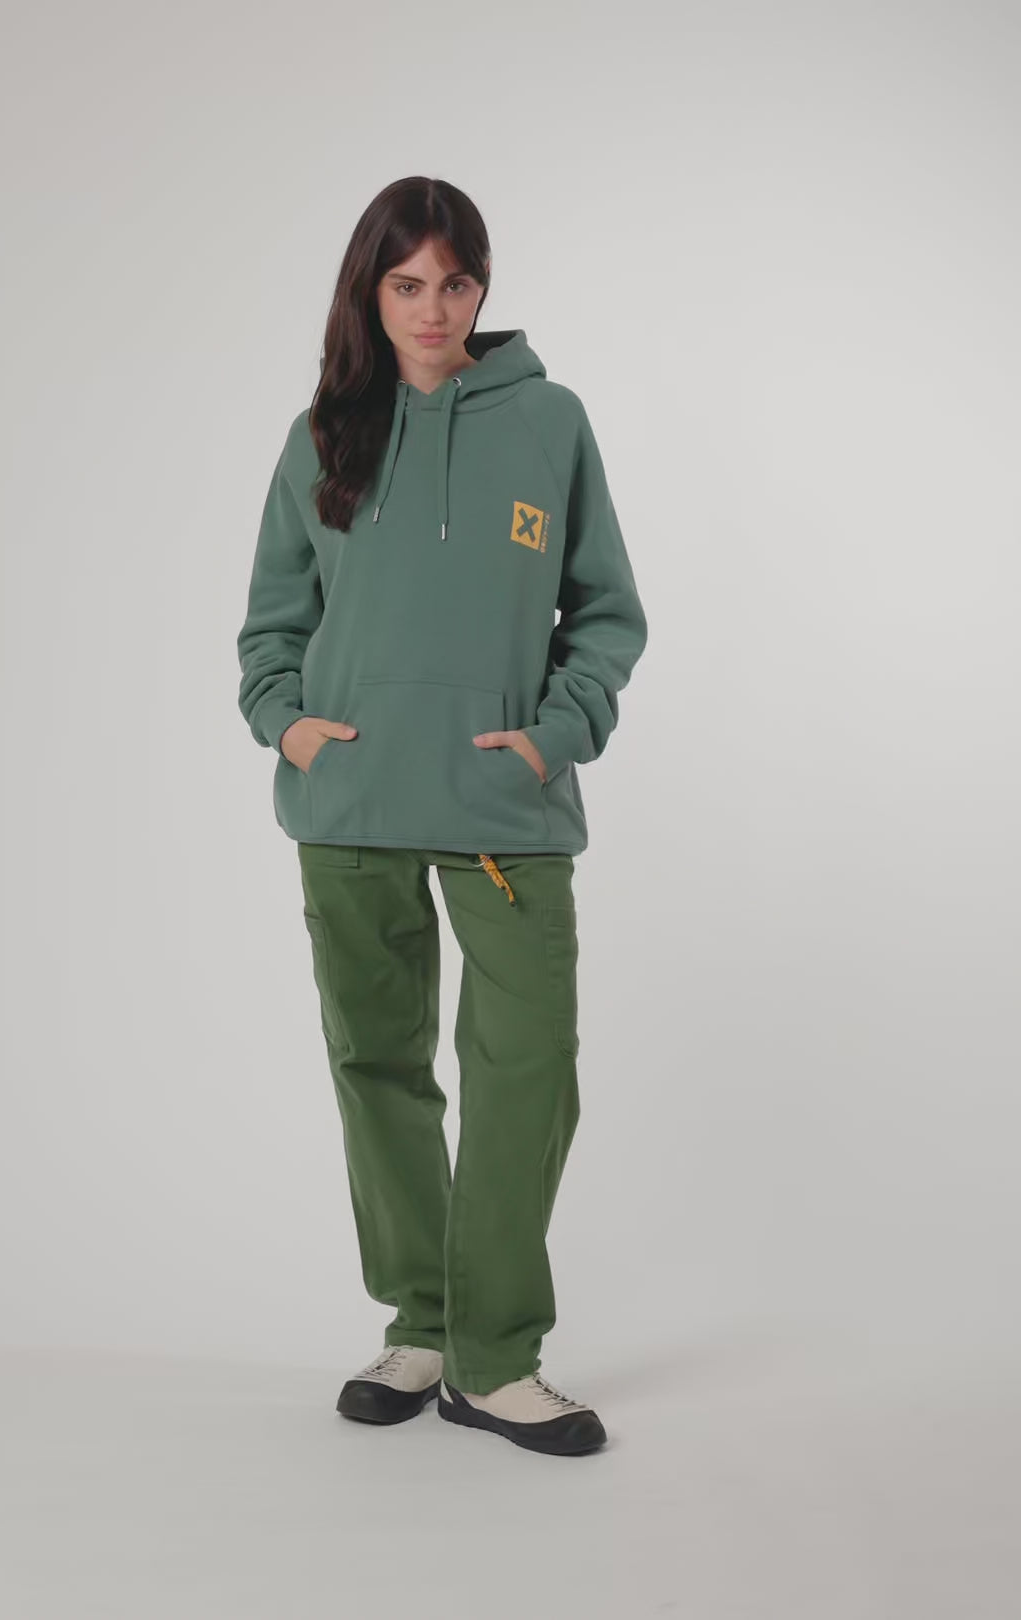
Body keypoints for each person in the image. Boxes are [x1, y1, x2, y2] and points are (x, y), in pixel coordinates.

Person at [236, 176, 648, 1457]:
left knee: (528, 1070)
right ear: (371, 292)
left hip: (504, 805)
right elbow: (271, 625)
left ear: (482, 287)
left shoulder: (550, 423)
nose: (433, 308)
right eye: (406, 284)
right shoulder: (322, 436)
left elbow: (607, 613)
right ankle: (422, 1324)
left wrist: (555, 735)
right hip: (351, 801)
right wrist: (288, 722)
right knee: (378, 1066)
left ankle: (496, 1355)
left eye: (455, 283)